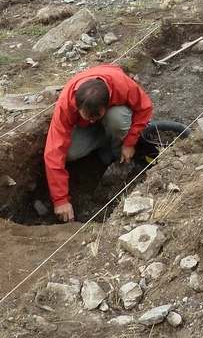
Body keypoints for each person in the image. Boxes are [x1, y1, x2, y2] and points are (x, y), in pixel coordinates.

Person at [43, 63, 153, 222]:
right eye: (88, 116)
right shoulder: (66, 105)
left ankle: (119, 157)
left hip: (114, 117)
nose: (93, 119)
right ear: (77, 105)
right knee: (69, 153)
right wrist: (60, 200)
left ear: (107, 102)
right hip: (86, 128)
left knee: (116, 118)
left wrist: (129, 142)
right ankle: (104, 143)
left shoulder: (121, 85)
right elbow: (53, 153)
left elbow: (145, 108)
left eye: (96, 116)